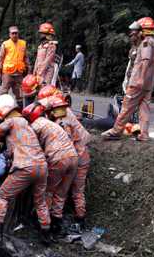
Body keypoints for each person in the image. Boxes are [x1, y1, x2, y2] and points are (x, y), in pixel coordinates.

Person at [0, 94, 51, 245]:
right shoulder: (26, 123)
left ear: (4, 110)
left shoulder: (11, 121)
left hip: (25, 166)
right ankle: (46, 235)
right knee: (40, 201)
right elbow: (14, 146)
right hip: (42, 166)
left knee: (1, 197)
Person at [102, 17, 154, 141]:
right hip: (149, 84)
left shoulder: (146, 43)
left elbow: (146, 60)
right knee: (144, 108)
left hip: (138, 83)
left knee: (126, 106)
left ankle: (116, 131)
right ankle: (144, 134)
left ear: (142, 31)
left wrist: (140, 78)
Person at [22, 103, 78, 233]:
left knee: (48, 191)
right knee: (62, 192)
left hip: (58, 158)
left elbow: (29, 146)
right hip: (73, 157)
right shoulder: (51, 124)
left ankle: (43, 222)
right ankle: (56, 222)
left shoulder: (36, 125)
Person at [43, 95, 91, 227]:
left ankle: (52, 220)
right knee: (78, 191)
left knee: (56, 190)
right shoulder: (69, 118)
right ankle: (80, 218)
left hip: (71, 158)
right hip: (83, 156)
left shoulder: (59, 124)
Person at [0, 26, 30, 107]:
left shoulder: (23, 43)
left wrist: (29, 70)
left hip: (19, 73)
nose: (14, 35)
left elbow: (26, 57)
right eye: (13, 33)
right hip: (7, 73)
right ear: (9, 34)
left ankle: (21, 111)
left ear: (18, 34)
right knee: (4, 92)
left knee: (20, 94)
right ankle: (2, 110)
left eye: (16, 33)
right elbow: (0, 58)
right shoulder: (5, 44)